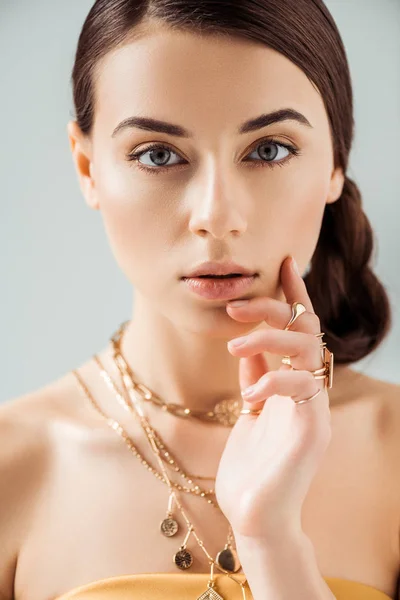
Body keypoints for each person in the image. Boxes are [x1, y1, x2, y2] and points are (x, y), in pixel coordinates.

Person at [1, 0, 399, 599]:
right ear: (87, 166)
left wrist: (273, 543)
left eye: (268, 150)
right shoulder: (15, 467)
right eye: (158, 154)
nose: (216, 217)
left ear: (336, 163)